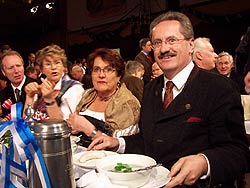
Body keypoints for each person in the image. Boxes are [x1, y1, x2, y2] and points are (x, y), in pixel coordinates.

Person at [88, 11, 250, 188]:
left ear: (190, 45)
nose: (164, 49)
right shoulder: (151, 88)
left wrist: (205, 162)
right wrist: (118, 143)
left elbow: (238, 153)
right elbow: (148, 140)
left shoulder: (219, 88)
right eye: (157, 43)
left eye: (172, 40)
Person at [67, 48, 140, 145]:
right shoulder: (86, 95)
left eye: (108, 70)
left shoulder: (129, 105)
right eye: (96, 69)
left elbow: (126, 147)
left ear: (119, 75)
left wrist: (90, 130)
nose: (101, 75)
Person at [23, 44, 84, 120]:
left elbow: (66, 124)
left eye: (57, 63)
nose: (53, 67)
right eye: (48, 64)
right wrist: (30, 97)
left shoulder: (74, 88)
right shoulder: (40, 87)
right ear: (41, 70)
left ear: (63, 66)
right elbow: (26, 121)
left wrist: (49, 99)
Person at [0, 50, 37, 121]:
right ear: (4, 72)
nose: (16, 71)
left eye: (18, 66)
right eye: (11, 68)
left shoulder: (36, 85)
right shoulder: (3, 94)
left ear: (23, 66)